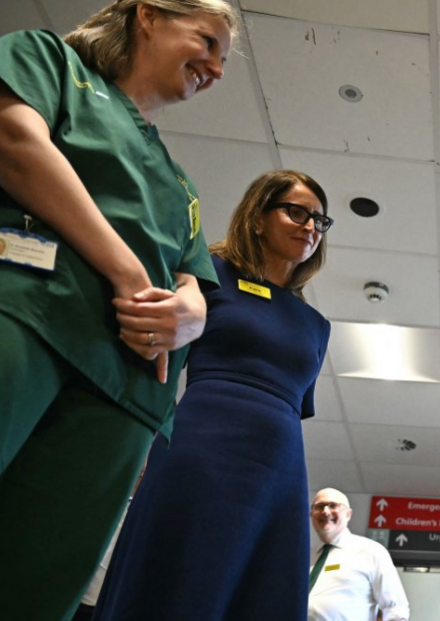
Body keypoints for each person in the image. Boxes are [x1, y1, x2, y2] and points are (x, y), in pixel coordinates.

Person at [0, 1, 238, 618]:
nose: (215, 68)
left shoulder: (180, 185)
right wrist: (129, 273)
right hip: (29, 315)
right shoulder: (50, 62)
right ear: (148, 16)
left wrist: (192, 317)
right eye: (207, 42)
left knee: (36, 584)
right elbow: (15, 142)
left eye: (223, 58)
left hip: (124, 393)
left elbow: (194, 281)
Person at [93, 170, 333, 620]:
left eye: (320, 222)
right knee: (182, 571)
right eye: (296, 212)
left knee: (260, 588)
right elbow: (155, 354)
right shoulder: (208, 274)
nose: (310, 228)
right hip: (201, 445)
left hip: (279, 467)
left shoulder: (316, 326)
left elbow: (295, 407)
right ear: (258, 217)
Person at [307, 488, 411, 621]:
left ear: (348, 514)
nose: (325, 511)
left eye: (333, 506)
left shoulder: (370, 551)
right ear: (311, 514)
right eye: (319, 506)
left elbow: (396, 609)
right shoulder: (306, 557)